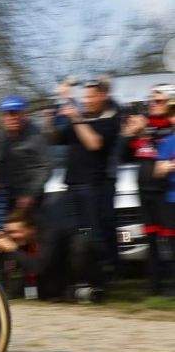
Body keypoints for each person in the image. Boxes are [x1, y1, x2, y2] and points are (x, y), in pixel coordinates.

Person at [53, 79, 121, 297]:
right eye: (85, 97)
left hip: (92, 188)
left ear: (102, 96)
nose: (86, 100)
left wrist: (76, 117)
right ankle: (80, 281)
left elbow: (94, 143)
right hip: (71, 185)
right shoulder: (79, 121)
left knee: (94, 236)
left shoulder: (109, 121)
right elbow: (55, 137)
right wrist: (60, 104)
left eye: (91, 96)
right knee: (75, 236)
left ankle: (102, 283)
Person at [121, 85, 173, 292]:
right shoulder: (143, 126)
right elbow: (123, 154)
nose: (153, 105)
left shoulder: (169, 127)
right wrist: (129, 133)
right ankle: (155, 284)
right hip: (144, 192)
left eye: (158, 101)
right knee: (150, 239)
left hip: (166, 191)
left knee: (169, 238)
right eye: (151, 101)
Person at [0, 96, 50, 232]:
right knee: (6, 233)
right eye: (8, 114)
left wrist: (31, 194)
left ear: (24, 114)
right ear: (3, 116)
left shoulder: (36, 136)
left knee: (33, 234)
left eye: (16, 113)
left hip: (31, 195)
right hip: (8, 194)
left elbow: (45, 167)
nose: (12, 117)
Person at [152, 102, 175, 293]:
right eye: (172, 114)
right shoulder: (167, 142)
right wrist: (167, 166)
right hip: (171, 198)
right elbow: (158, 171)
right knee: (171, 244)